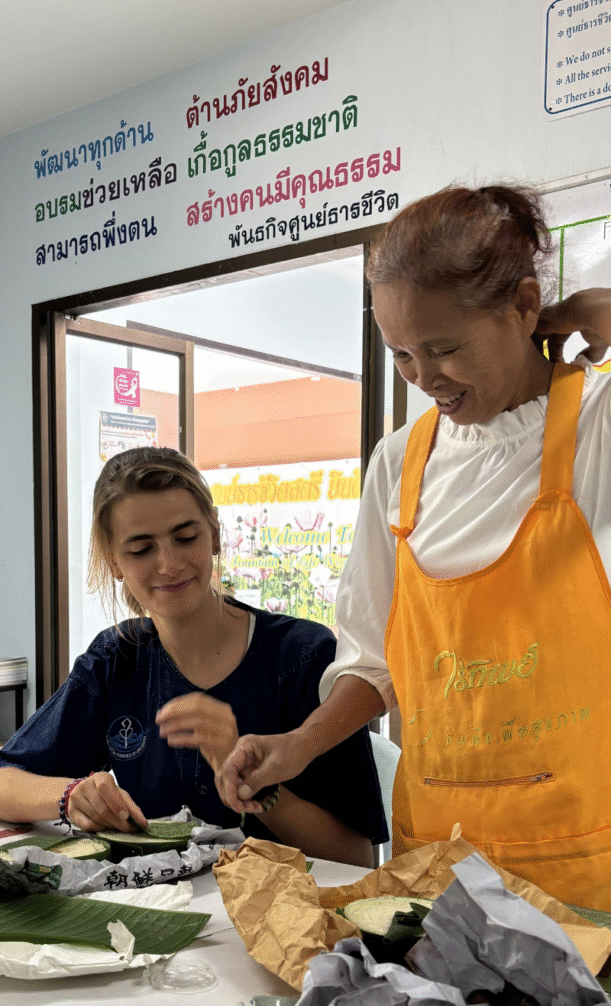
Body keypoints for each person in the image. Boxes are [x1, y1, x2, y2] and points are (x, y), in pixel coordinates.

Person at [217, 184, 611, 910]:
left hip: (582, 868)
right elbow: (372, 660)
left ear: (525, 306)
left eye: (443, 349)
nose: (425, 379)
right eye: (400, 354)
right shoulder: (400, 463)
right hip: (437, 865)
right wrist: (300, 743)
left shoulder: (597, 425)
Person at [0, 447, 387, 867]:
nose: (168, 565)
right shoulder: (114, 661)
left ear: (215, 535)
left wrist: (253, 782)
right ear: (114, 562)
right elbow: (7, 780)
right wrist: (71, 796)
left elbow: (355, 858)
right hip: (155, 903)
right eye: (141, 549)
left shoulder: (303, 657)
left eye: (186, 538)